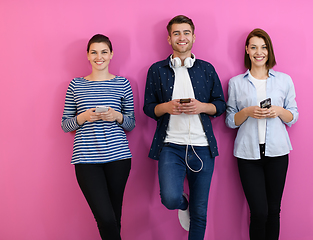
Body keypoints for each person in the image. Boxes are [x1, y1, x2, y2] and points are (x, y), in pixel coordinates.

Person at [143, 15, 226, 240]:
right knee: (170, 198)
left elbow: (220, 105)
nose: (182, 37)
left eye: (186, 33)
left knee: (200, 214)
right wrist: (166, 107)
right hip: (170, 146)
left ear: (193, 37)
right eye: (176, 33)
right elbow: (148, 109)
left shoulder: (207, 69)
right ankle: (183, 202)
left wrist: (202, 106)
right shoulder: (156, 70)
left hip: (202, 147)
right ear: (169, 38)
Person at [225, 28, 299, 240]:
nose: (259, 52)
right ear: (247, 50)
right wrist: (247, 112)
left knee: (274, 211)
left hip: (278, 153)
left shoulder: (284, 80)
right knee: (259, 212)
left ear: (269, 50)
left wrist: (279, 111)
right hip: (248, 156)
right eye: (254, 47)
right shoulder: (236, 82)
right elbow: (230, 121)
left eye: (264, 47)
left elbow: (293, 116)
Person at [61, 34, 135, 240]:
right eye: (94, 52)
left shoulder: (122, 84)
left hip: (119, 158)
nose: (99, 57)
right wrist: (83, 117)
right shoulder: (76, 85)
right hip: (86, 160)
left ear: (111, 55)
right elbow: (65, 125)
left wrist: (117, 116)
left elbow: (131, 123)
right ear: (87, 55)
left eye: (103, 52)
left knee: (114, 216)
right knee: (106, 218)